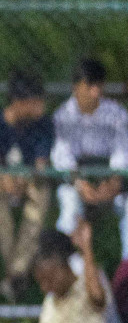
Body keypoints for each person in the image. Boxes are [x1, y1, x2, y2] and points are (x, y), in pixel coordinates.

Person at [0, 72, 52, 301]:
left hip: (27, 181)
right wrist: (6, 180)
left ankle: (13, 273)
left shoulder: (42, 125)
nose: (42, 108)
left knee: (42, 191)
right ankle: (18, 272)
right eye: (36, 102)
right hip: (1, 181)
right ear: (20, 102)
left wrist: (25, 180)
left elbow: (40, 166)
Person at [51, 58, 128, 263]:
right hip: (77, 180)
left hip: (111, 180)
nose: (95, 92)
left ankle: (125, 274)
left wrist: (113, 183)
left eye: (99, 86)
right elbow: (62, 157)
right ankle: (68, 269)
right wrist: (81, 185)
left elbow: (122, 151)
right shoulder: (62, 116)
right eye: (89, 85)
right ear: (76, 87)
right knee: (69, 210)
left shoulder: (117, 113)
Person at [32, 226, 108, 323]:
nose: (46, 286)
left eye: (50, 279)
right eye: (41, 282)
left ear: (65, 267)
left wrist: (86, 248)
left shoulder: (87, 287)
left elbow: (98, 298)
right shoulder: (50, 301)